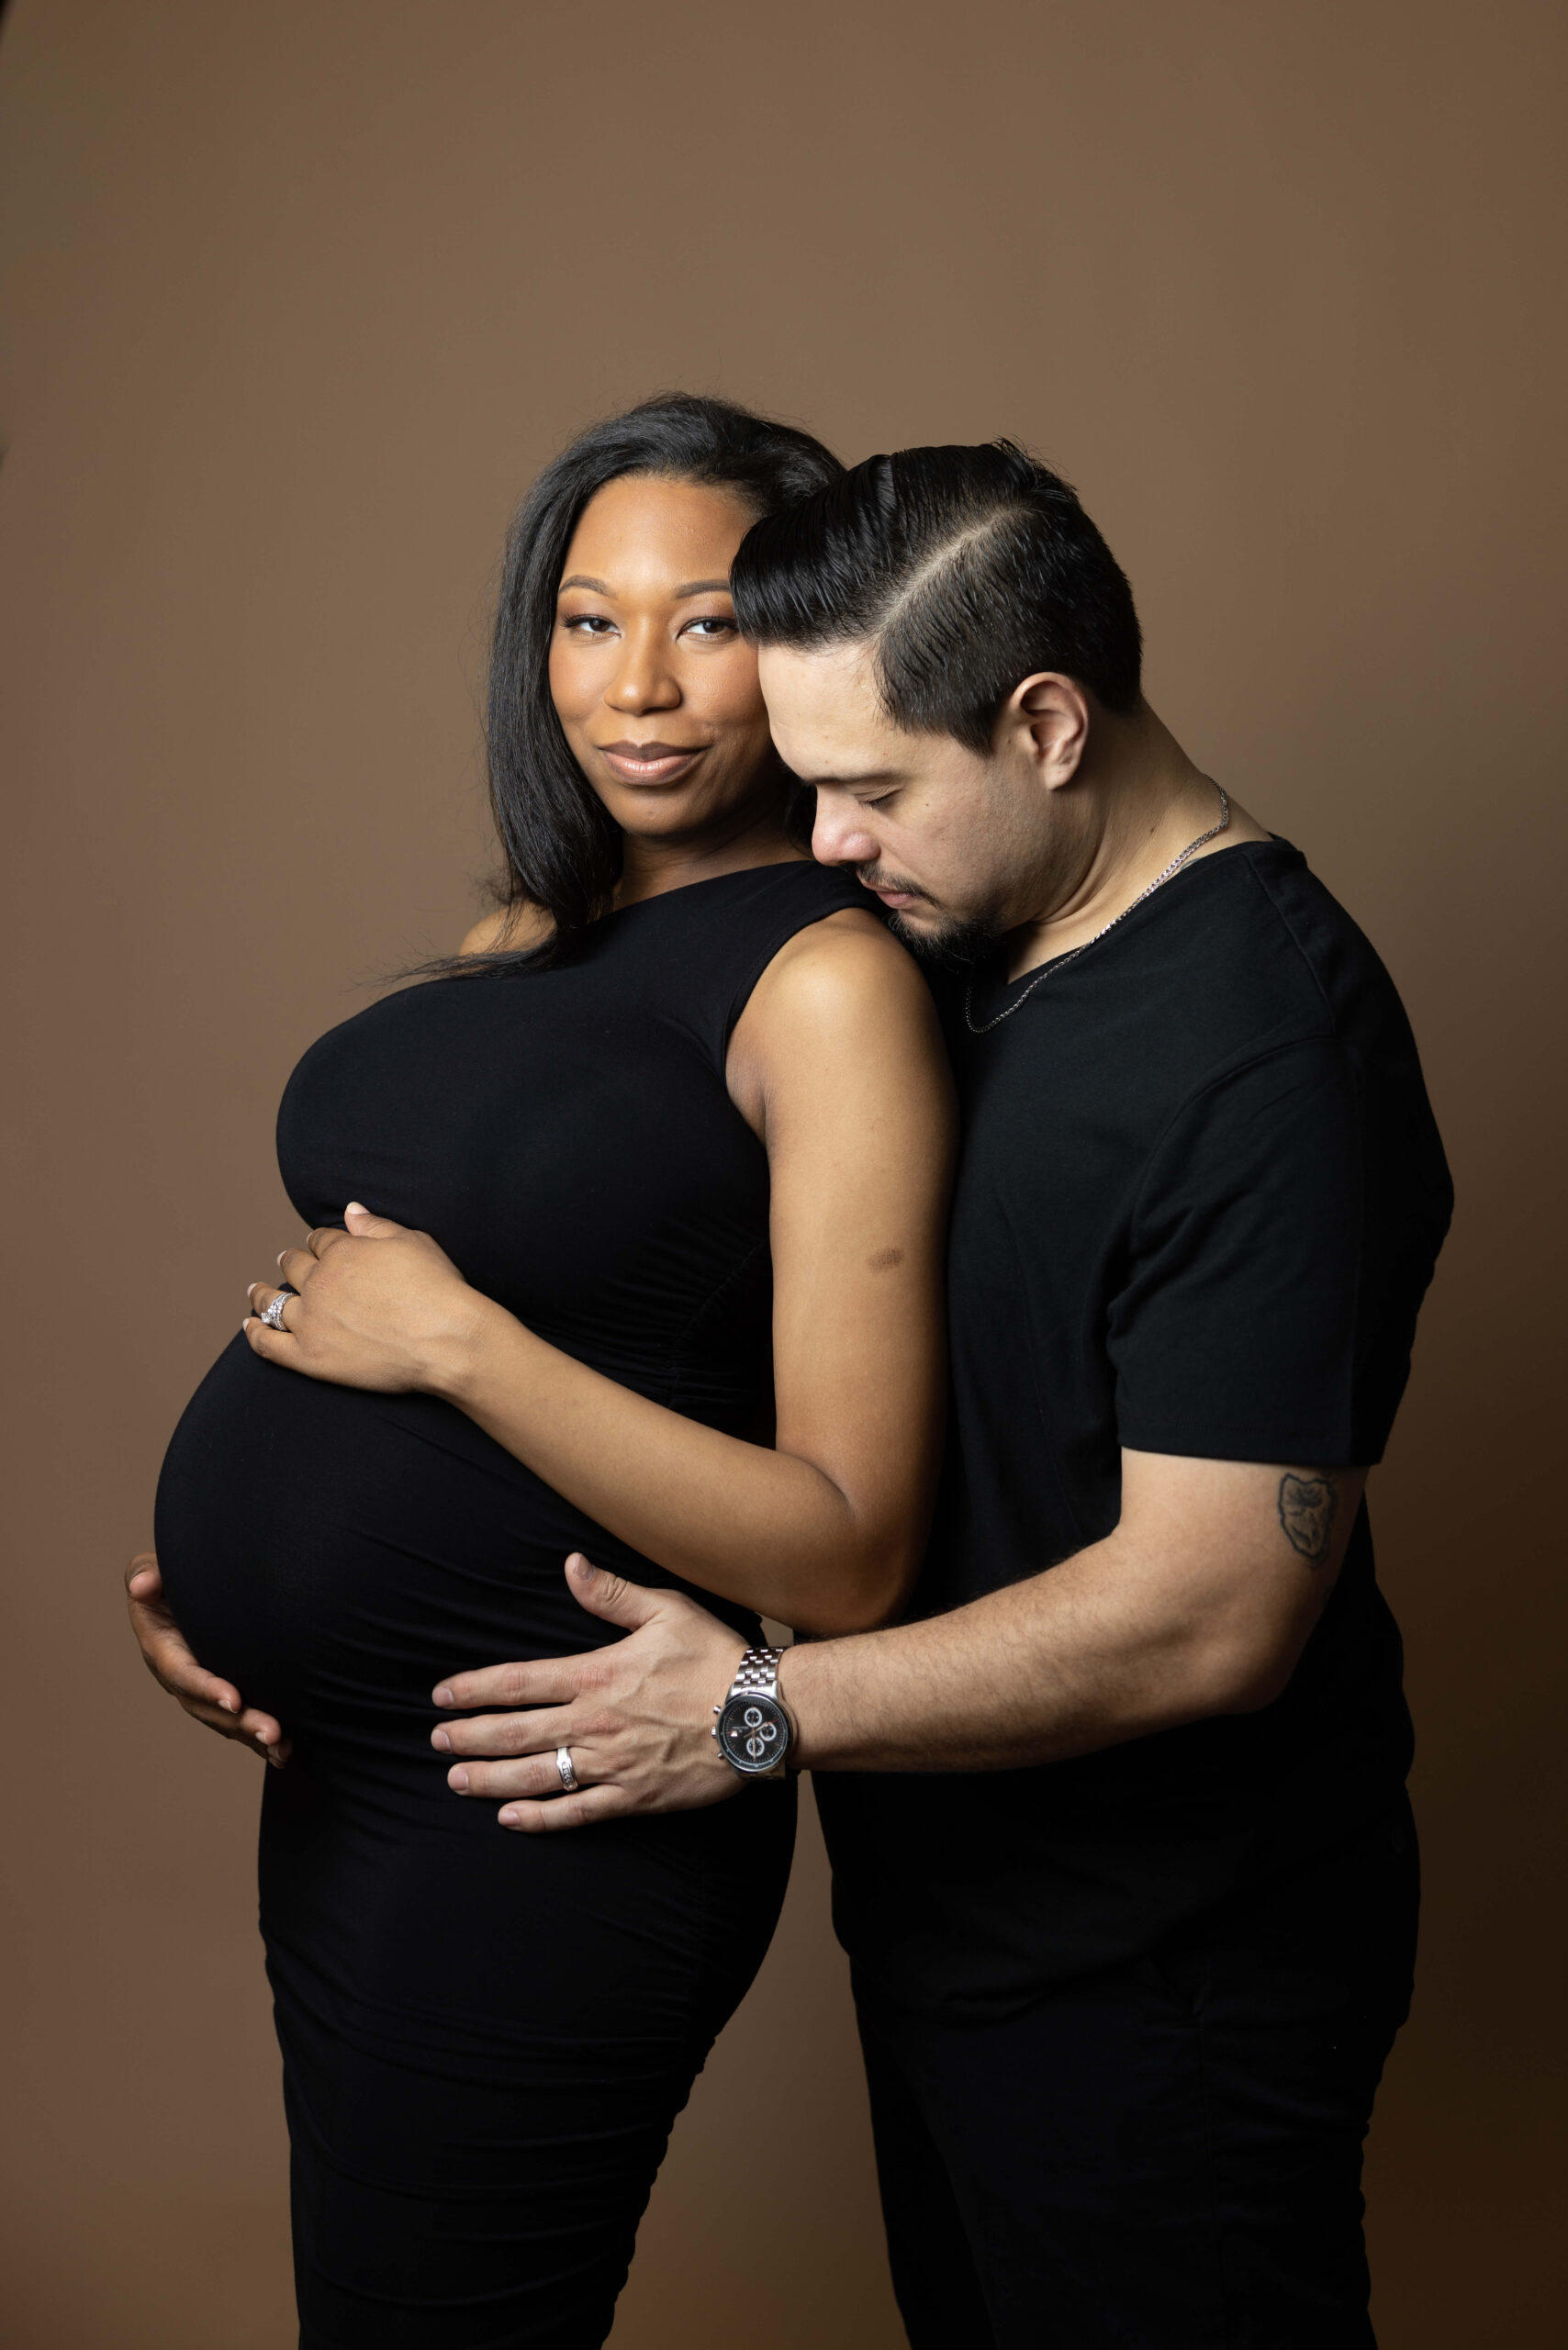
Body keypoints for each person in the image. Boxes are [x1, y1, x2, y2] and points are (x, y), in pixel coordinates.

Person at [420, 444, 1453, 2347]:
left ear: (1045, 724)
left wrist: (742, 1711)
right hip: (954, 1925)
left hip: (1167, 1973)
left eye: (868, 786)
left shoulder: (1262, 1050)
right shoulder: (964, 936)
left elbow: (1213, 1610)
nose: (820, 839)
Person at [129, 395, 953, 2350]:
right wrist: (232, 1571)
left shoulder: (826, 980)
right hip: (347, 1776)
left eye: (711, 618)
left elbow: (844, 1553)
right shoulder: (541, 927)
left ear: (818, 639)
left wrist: (457, 1350)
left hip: (549, 1797)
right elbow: (375, 1271)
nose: (638, 684)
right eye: (588, 621)